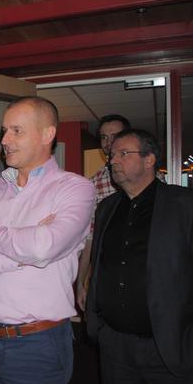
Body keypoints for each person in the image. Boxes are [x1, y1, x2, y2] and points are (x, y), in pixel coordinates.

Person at [0, 96, 95, 384]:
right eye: (5, 131)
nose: (5, 140)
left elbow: (43, 247)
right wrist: (18, 258)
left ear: (47, 134)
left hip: (38, 344)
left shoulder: (75, 188)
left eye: (17, 131)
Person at [86, 129, 193, 384]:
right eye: (112, 155)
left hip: (169, 350)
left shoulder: (187, 205)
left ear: (149, 160)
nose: (113, 160)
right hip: (115, 348)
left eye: (123, 154)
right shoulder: (107, 208)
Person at [76, 114, 131, 310]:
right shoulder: (94, 183)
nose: (109, 143)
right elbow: (89, 238)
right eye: (104, 137)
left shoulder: (149, 176)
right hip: (109, 274)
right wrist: (81, 283)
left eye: (115, 136)